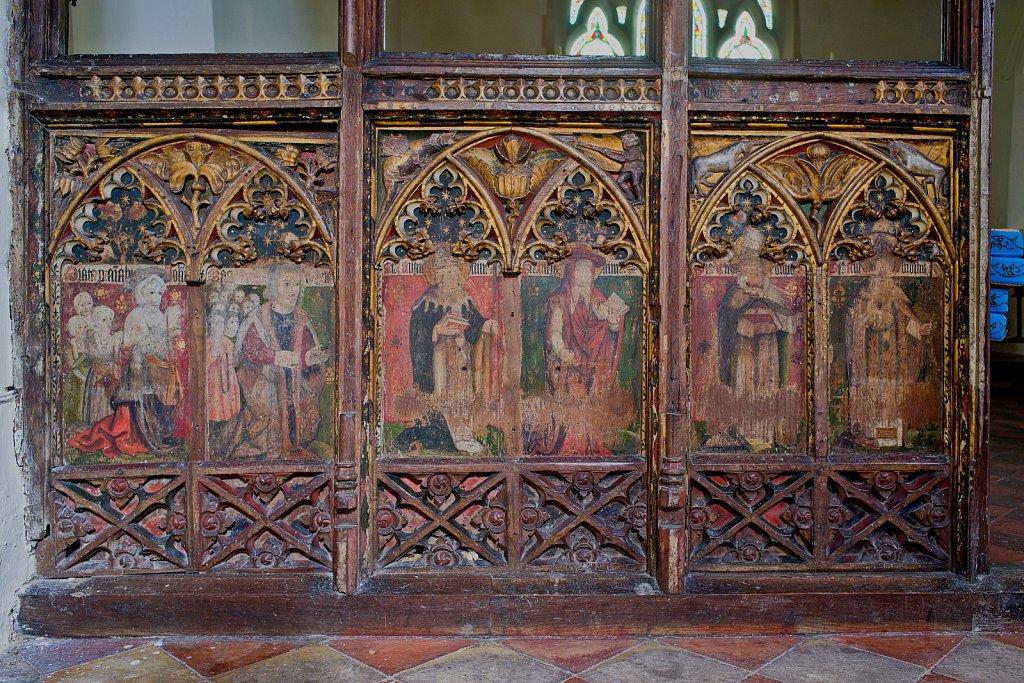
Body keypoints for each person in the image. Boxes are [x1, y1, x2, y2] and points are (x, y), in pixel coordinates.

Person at [70, 268, 184, 457]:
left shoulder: (161, 315)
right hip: (139, 369)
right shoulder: (135, 316)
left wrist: (167, 332)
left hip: (157, 367)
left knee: (162, 401)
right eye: (150, 293)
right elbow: (135, 347)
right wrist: (163, 331)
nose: (155, 298)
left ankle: (158, 435)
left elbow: (163, 347)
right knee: (142, 403)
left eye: (158, 293)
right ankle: (144, 438)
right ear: (141, 293)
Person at [845, 237, 933, 448]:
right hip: (870, 358)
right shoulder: (863, 295)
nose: (883, 272)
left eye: (887, 267)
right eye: (878, 267)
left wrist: (919, 329)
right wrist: (868, 318)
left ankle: (896, 434)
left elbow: (908, 320)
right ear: (872, 269)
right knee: (874, 390)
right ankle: (870, 432)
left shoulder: (897, 295)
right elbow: (853, 320)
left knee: (895, 391)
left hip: (895, 357)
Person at [233, 262, 327, 457]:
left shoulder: (301, 317)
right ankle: (272, 448)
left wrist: (311, 358)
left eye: (296, 285)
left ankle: (294, 446)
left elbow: (304, 352)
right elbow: (248, 350)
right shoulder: (258, 317)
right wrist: (274, 357)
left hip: (295, 384)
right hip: (267, 384)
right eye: (286, 284)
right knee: (270, 406)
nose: (293, 291)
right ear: (274, 286)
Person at [405, 251, 497, 454]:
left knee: (463, 394)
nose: (452, 280)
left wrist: (487, 325)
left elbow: (475, 322)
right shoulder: (426, 303)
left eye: (455, 276)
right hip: (439, 359)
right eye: (447, 276)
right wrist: (437, 330)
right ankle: (444, 434)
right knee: (443, 394)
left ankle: (464, 434)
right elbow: (417, 335)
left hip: (461, 356)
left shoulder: (464, 299)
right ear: (438, 277)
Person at [714, 230, 796, 452]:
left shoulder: (770, 292)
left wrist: (778, 318)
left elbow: (785, 317)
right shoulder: (736, 291)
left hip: (767, 344)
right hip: (744, 344)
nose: (753, 272)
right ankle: (745, 431)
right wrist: (745, 300)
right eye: (748, 268)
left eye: (757, 268)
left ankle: (765, 434)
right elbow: (728, 317)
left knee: (765, 385)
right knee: (746, 383)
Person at [81, 305, 120, 424]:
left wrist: (113, 369)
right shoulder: (92, 338)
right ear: (96, 323)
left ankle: (109, 422)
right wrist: (103, 370)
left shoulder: (113, 339)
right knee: (98, 395)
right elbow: (92, 357)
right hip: (98, 373)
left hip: (110, 372)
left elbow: (115, 358)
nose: (108, 323)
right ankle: (96, 422)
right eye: (104, 320)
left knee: (109, 398)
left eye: (109, 320)